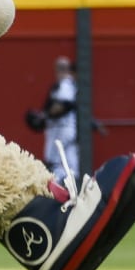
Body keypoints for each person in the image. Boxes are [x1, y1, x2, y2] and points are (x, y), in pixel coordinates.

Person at [42, 55, 79, 183]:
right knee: (70, 162)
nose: (59, 71)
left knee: (54, 161)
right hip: (65, 128)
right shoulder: (69, 84)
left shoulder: (65, 84)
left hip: (61, 129)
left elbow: (63, 105)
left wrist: (45, 115)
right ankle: (74, 189)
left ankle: (57, 191)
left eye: (62, 68)